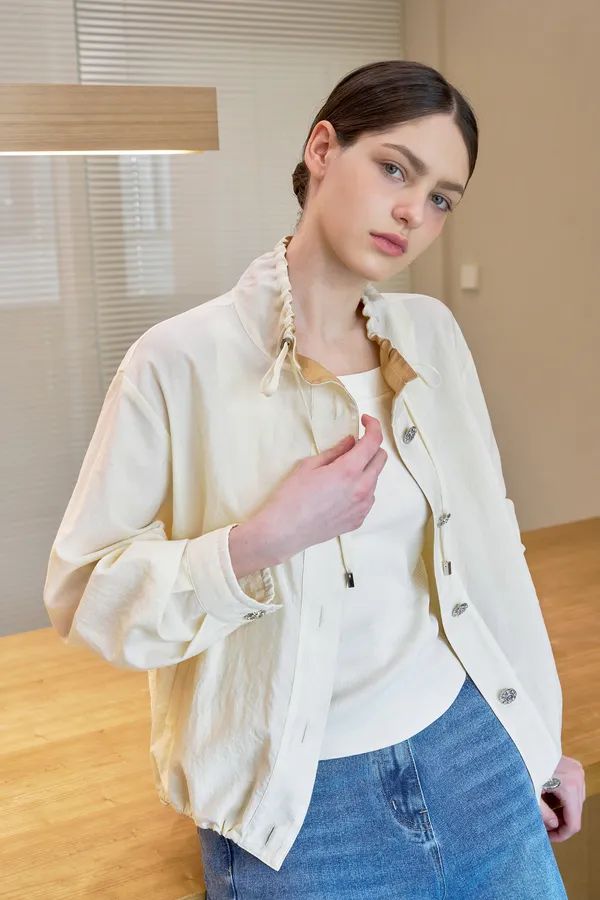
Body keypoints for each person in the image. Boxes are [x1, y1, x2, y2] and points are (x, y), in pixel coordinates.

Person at [44, 61, 584, 899]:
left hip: (474, 753)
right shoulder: (177, 361)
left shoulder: (432, 335)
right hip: (300, 812)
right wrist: (260, 542)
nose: (414, 212)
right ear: (323, 149)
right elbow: (85, 592)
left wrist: (537, 736)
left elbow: (491, 548)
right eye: (396, 169)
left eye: (442, 198)